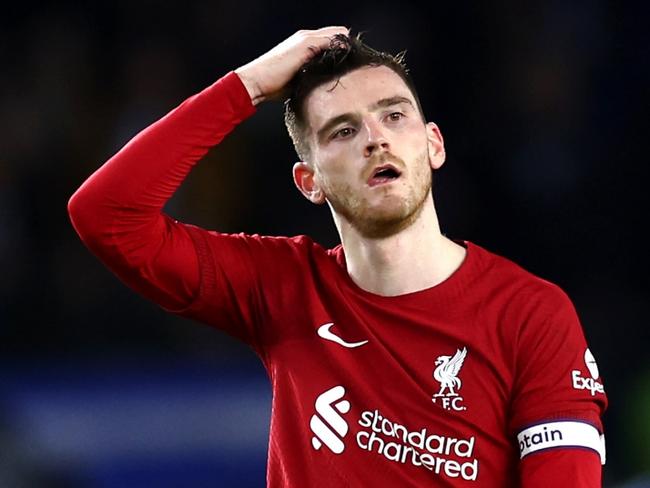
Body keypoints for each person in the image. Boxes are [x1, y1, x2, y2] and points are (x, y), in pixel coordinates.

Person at [68, 26, 608, 487]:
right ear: (309, 182)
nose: (375, 138)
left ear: (434, 145)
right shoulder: (284, 288)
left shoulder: (532, 315)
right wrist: (249, 85)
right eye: (343, 131)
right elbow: (106, 215)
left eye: (394, 116)